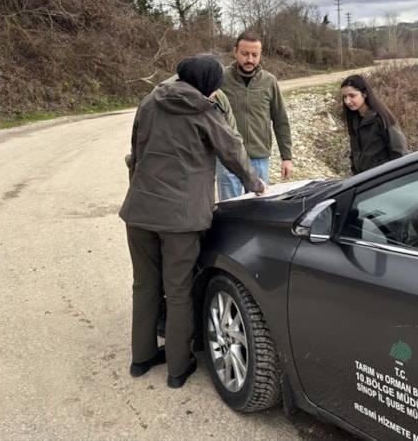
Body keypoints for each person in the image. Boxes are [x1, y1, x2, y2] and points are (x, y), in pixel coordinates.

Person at [119, 54, 265, 389]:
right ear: (208, 85)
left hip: (139, 212)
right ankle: (177, 368)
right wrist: (255, 184)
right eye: (215, 87)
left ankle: (141, 359)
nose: (215, 93)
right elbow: (233, 151)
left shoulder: (149, 102)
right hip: (181, 220)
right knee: (179, 290)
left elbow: (136, 153)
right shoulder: (203, 111)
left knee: (144, 287)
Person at [218, 31, 294, 200]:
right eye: (245, 54)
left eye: (255, 55)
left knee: (258, 206)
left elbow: (281, 120)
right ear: (235, 51)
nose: (250, 60)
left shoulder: (269, 81)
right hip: (228, 158)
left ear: (260, 54)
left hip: (259, 158)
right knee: (228, 208)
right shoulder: (220, 78)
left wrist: (286, 157)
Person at [340, 74, 408, 175]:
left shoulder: (381, 117)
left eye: (352, 96)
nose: (347, 101)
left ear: (365, 94)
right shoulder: (354, 120)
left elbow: (399, 150)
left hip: (383, 179)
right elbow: (355, 153)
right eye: (345, 97)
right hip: (364, 180)